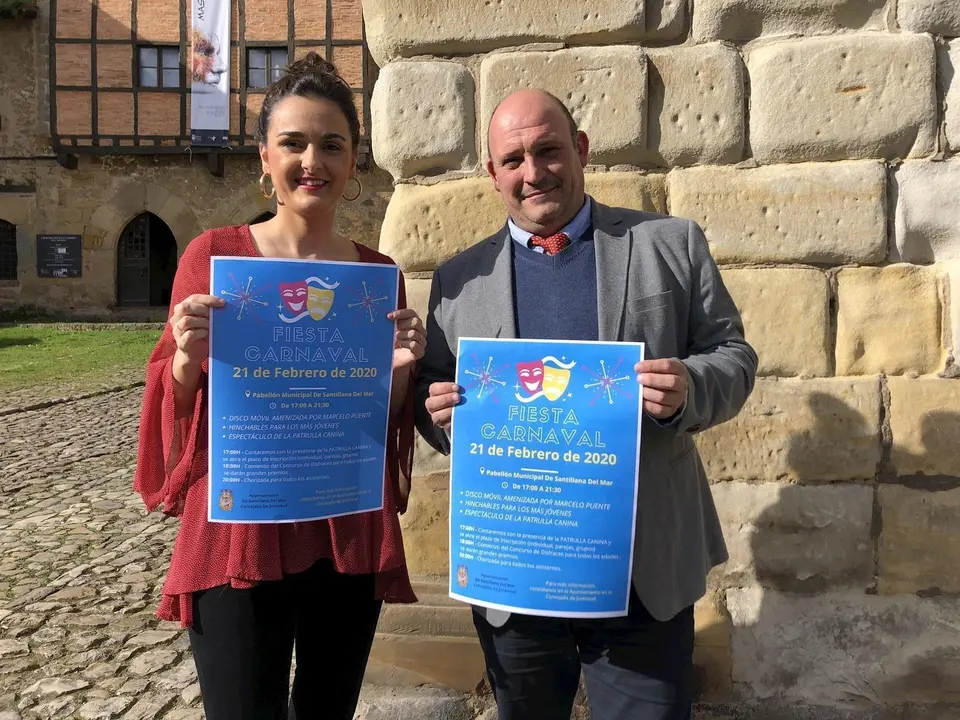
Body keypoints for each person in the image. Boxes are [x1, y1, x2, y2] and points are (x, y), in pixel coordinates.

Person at [416, 88, 758, 720]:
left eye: (548, 150)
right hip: (515, 572)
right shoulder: (458, 279)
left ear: (580, 150)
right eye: (513, 160)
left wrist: (689, 385)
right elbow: (435, 393)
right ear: (493, 175)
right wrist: (437, 412)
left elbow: (734, 357)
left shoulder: (670, 243)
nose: (533, 171)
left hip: (640, 572)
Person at [133, 53, 425, 720]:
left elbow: (381, 422)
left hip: (342, 524)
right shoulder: (212, 256)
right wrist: (184, 360)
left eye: (332, 144)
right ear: (265, 158)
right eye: (293, 143)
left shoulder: (378, 277)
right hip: (241, 525)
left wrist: (402, 372)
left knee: (327, 711)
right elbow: (172, 409)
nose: (311, 160)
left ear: (354, 163)